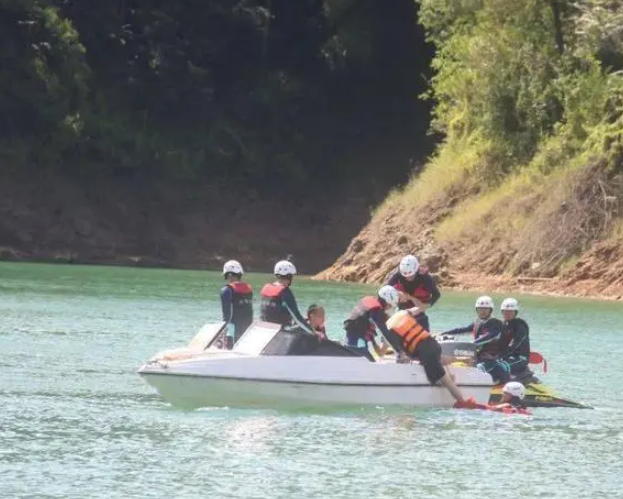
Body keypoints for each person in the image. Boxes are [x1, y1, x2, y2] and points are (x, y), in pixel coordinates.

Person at [384, 308, 465, 403]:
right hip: (432, 344)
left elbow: (400, 354)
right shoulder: (401, 313)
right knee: (437, 359)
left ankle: (464, 402)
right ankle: (463, 360)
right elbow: (419, 308)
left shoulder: (389, 330)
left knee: (447, 383)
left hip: (426, 353)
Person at [442, 296, 509, 384]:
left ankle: (500, 381)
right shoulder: (478, 322)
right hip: (479, 355)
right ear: (477, 309)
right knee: (459, 364)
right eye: (480, 309)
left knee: (478, 368)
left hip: (492, 357)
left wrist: (472, 343)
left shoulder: (495, 323)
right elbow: (462, 329)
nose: (483, 311)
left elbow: (489, 336)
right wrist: (443, 334)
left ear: (490, 310)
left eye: (486, 309)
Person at [386, 254, 440, 332]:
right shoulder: (398, 274)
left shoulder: (425, 278)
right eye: (406, 276)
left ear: (416, 270)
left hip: (418, 310)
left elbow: (436, 295)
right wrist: (398, 293)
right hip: (401, 310)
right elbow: (385, 289)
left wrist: (424, 306)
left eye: (411, 275)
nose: (408, 278)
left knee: (423, 330)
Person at [343, 285, 399, 359]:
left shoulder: (368, 300)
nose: (389, 308)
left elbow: (365, 323)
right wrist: (399, 352)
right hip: (359, 343)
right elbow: (385, 332)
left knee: (377, 353)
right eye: (390, 306)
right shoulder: (376, 310)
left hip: (350, 339)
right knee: (371, 362)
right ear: (387, 303)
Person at [260, 260, 314, 334]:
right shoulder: (285, 291)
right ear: (289, 276)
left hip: (264, 329)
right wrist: (313, 332)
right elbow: (297, 317)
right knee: (305, 326)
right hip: (281, 332)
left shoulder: (265, 288)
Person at [220, 260, 253, 349]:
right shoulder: (248, 288)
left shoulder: (226, 290)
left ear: (229, 275)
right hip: (248, 329)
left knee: (229, 347)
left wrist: (224, 333)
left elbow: (226, 316)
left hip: (232, 329)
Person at [498, 298, 531, 376]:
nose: (507, 313)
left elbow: (515, 344)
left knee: (498, 367)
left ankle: (507, 384)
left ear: (515, 313)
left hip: (520, 359)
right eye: (505, 311)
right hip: (507, 357)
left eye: (510, 311)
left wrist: (500, 355)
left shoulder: (520, 326)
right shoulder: (504, 325)